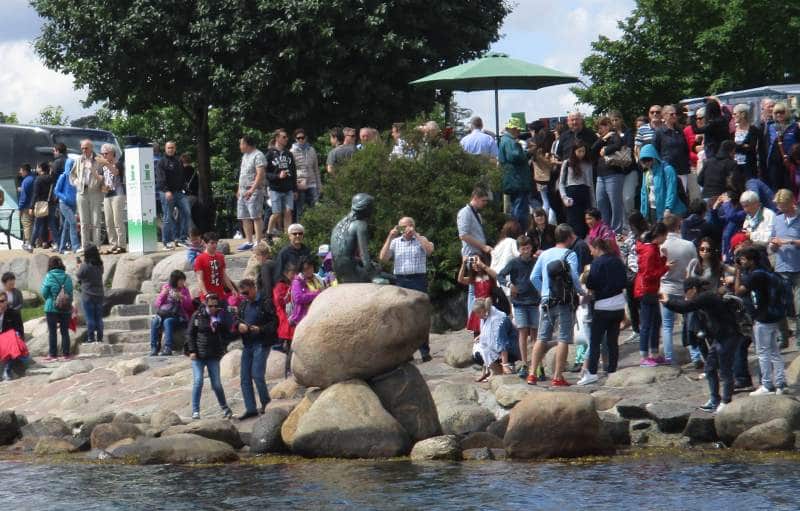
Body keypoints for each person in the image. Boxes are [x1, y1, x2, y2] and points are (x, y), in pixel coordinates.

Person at [660, 277, 743, 413]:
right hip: (719, 338)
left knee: (725, 371)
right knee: (710, 368)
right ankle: (714, 400)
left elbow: (685, 307)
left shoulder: (706, 297)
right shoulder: (704, 297)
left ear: (693, 289)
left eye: (686, 291)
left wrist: (667, 301)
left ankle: (726, 401)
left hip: (729, 336)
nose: (685, 295)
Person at [528, 224, 584, 386]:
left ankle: (532, 374)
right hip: (565, 301)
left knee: (542, 337)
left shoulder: (544, 254)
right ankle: (558, 377)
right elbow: (573, 276)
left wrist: (543, 291)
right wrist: (580, 291)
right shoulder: (570, 254)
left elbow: (533, 277)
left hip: (546, 301)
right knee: (564, 338)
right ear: (568, 238)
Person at [379, 216, 435, 361]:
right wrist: (389, 237)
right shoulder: (396, 242)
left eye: (406, 226)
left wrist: (416, 234)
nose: (404, 230)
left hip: (418, 279)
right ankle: (406, 353)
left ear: (412, 226)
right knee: (403, 316)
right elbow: (383, 258)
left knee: (420, 315)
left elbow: (429, 251)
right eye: (401, 227)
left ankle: (424, 351)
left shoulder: (420, 239)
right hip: (401, 280)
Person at [735, 247, 787, 395]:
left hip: (762, 318)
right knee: (775, 352)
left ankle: (767, 385)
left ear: (752, 261)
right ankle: (781, 383)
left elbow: (738, 291)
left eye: (743, 260)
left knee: (763, 352)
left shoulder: (755, 276)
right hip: (773, 316)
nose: (741, 262)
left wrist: (738, 272)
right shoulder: (767, 272)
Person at [578, 237, 627, 385]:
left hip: (602, 306)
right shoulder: (618, 261)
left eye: (591, 249)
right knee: (613, 340)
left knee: (595, 341)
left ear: (597, 248)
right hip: (618, 305)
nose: (591, 253)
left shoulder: (597, 263)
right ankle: (612, 370)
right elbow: (625, 281)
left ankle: (592, 372)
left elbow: (591, 283)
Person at [496, 235, 540, 379]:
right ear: (519, 250)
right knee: (522, 333)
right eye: (523, 249)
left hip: (534, 301)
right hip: (520, 302)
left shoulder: (536, 261)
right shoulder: (514, 263)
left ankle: (536, 364)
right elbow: (500, 275)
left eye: (528, 248)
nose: (526, 251)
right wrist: (509, 285)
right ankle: (524, 363)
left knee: (535, 334)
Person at [187, 293, 234, 420]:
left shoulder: (220, 316)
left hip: (213, 355)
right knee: (198, 382)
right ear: (206, 304)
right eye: (210, 305)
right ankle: (195, 411)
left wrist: (223, 322)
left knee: (217, 384)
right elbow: (190, 334)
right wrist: (192, 351)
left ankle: (225, 408)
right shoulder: (197, 316)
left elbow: (227, 333)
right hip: (199, 355)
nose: (213, 308)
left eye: (215, 305)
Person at [659, 214, 699, 365]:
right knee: (689, 323)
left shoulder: (661, 246)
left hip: (666, 287)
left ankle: (669, 358)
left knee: (667, 326)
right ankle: (695, 355)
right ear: (678, 225)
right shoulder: (688, 245)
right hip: (685, 288)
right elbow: (696, 265)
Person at [235, 278, 277, 420]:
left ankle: (266, 403)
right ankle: (250, 408)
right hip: (248, 344)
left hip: (261, 343)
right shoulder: (243, 304)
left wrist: (260, 329)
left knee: (257, 375)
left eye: (246, 292)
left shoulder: (265, 302)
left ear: (253, 288)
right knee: (244, 378)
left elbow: (274, 322)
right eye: (242, 294)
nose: (244, 296)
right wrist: (239, 327)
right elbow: (237, 321)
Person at [635, 222, 671, 367]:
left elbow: (654, 266)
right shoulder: (650, 250)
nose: (666, 238)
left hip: (651, 289)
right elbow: (649, 274)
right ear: (660, 235)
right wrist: (666, 267)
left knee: (656, 322)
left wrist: (663, 260)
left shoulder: (653, 248)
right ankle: (644, 355)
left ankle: (654, 353)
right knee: (646, 324)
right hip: (646, 290)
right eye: (665, 236)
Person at [768, 189, 800, 347]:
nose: (781, 209)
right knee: (778, 303)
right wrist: (773, 245)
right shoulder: (778, 219)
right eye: (779, 206)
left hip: (798, 267)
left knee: (799, 305)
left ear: (791, 203)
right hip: (781, 267)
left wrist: (789, 242)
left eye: (783, 206)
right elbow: (772, 243)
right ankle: (784, 336)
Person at [457, 186, 492, 313]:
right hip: (472, 254)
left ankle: (476, 319)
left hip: (478, 253)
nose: (485, 204)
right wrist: (483, 247)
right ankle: (474, 320)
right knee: (474, 288)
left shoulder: (475, 213)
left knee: (478, 287)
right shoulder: (465, 213)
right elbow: (463, 235)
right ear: (475, 198)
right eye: (483, 200)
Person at [592, 116, 626, 234]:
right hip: (600, 175)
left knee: (615, 203)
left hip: (614, 173)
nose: (603, 128)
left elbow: (618, 145)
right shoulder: (600, 138)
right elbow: (592, 149)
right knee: (601, 203)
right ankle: (605, 230)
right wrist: (602, 140)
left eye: (605, 125)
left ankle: (617, 231)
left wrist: (606, 150)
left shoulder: (615, 135)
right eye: (601, 126)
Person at [69, 140, 105, 252]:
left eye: (86, 148)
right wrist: (76, 182)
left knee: (96, 220)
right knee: (84, 221)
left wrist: (92, 169)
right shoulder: (79, 159)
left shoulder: (98, 159)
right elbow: (72, 174)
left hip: (95, 191)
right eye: (82, 148)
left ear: (91, 148)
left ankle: (96, 246)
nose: (84, 150)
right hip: (81, 192)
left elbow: (103, 177)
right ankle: (85, 247)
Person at [156, 141, 193, 249]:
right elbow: (160, 179)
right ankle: (166, 241)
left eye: (172, 148)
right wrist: (166, 191)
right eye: (168, 148)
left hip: (179, 192)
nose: (170, 149)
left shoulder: (179, 161)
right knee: (168, 217)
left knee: (187, 212)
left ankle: (182, 239)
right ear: (165, 149)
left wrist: (184, 189)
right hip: (166, 193)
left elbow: (182, 177)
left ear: (175, 149)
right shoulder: (161, 162)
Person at [149, 270, 193, 356]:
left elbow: (190, 307)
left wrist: (182, 298)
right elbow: (157, 304)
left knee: (167, 321)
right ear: (175, 280)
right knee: (154, 321)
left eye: (183, 280)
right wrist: (163, 294)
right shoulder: (166, 287)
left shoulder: (184, 290)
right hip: (164, 314)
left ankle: (168, 348)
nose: (183, 282)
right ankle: (154, 348)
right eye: (181, 280)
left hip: (179, 317)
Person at [500, 118, 533, 231]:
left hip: (513, 180)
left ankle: (517, 231)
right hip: (517, 181)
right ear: (513, 129)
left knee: (517, 207)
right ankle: (518, 232)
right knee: (519, 210)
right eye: (518, 129)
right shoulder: (510, 141)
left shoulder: (505, 140)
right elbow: (515, 157)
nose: (519, 132)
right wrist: (528, 152)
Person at [639, 144, 686, 222]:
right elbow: (644, 193)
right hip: (653, 209)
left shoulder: (667, 169)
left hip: (669, 211)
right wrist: (643, 213)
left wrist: (668, 208)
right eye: (643, 160)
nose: (646, 163)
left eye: (648, 159)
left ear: (654, 157)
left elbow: (671, 190)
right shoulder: (646, 172)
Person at [471, 297, 515, 382]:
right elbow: (486, 334)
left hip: (510, 349)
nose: (478, 316)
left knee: (484, 350)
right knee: (477, 350)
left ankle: (498, 370)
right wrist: (480, 336)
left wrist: (505, 364)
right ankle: (488, 371)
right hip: (499, 349)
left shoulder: (498, 319)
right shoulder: (486, 316)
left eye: (479, 313)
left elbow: (502, 341)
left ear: (484, 309)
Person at [621, 212, 649, 344]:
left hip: (643, 273)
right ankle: (636, 330)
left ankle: (645, 329)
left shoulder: (647, 235)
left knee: (642, 303)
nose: (630, 227)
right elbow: (624, 252)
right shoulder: (631, 236)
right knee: (632, 303)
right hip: (631, 273)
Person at [235, 135, 267, 251]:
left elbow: (260, 174)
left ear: (247, 144)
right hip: (243, 190)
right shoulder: (244, 156)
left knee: (256, 216)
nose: (240, 146)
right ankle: (249, 241)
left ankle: (258, 241)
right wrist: (239, 189)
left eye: (241, 144)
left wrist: (252, 189)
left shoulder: (258, 155)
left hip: (254, 190)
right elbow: (242, 174)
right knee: (244, 216)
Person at [559, 141, 595, 239]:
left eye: (583, 151)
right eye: (579, 151)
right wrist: (564, 197)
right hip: (572, 197)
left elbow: (590, 184)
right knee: (574, 225)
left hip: (584, 195)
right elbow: (561, 183)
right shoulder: (567, 163)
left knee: (586, 225)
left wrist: (593, 204)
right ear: (574, 151)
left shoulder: (588, 164)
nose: (581, 154)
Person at [40, 256, 73, 361]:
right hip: (66, 308)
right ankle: (66, 354)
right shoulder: (67, 277)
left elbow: (44, 293)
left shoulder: (49, 276)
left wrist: (51, 299)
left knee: (52, 331)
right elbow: (70, 293)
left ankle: (53, 354)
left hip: (51, 308)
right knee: (65, 331)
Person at [265, 129, 297, 236]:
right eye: (284, 137)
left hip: (288, 188)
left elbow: (294, 172)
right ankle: (269, 233)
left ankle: (287, 236)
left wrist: (295, 189)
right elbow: (265, 173)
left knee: (288, 211)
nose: (286, 139)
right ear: (277, 138)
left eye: (286, 137)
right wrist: (277, 176)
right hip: (276, 188)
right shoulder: (270, 154)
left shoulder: (289, 154)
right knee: (277, 213)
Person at [761, 101, 797, 192]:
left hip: (790, 162)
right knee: (776, 189)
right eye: (776, 112)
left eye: (782, 112)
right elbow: (766, 145)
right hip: (774, 163)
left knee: (791, 187)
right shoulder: (770, 127)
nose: (779, 115)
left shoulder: (795, 126)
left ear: (787, 113)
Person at [654, 105, 691, 191]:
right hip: (667, 169)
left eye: (675, 114)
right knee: (670, 194)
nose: (674, 116)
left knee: (682, 194)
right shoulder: (659, 132)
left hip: (682, 168)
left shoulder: (680, 130)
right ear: (664, 116)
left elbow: (685, 148)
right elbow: (655, 151)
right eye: (671, 114)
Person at [97, 144, 126, 254]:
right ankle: (113, 244)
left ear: (112, 154)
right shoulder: (103, 167)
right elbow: (102, 180)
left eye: (106, 153)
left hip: (118, 194)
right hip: (107, 194)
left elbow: (115, 172)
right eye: (103, 153)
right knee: (108, 221)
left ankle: (122, 245)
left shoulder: (118, 163)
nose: (104, 155)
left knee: (117, 220)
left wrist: (105, 163)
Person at [194, 232, 237, 302]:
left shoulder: (220, 256)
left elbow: (224, 276)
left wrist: (232, 289)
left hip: (220, 295)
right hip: (207, 297)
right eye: (212, 243)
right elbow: (200, 279)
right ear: (205, 243)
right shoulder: (200, 258)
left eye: (216, 243)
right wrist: (206, 294)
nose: (215, 245)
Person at [459, 253, 495, 337]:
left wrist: (483, 265)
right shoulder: (474, 278)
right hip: (478, 306)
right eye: (473, 262)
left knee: (491, 332)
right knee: (478, 332)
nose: (475, 264)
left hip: (489, 305)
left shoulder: (489, 275)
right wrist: (464, 264)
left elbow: (497, 276)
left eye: (477, 261)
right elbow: (460, 279)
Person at [76, 245, 104, 344]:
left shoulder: (85, 265)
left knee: (90, 317)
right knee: (99, 317)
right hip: (99, 294)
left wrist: (79, 266)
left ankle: (91, 337)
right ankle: (100, 337)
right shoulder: (100, 264)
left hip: (87, 295)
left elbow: (79, 275)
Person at [291, 128, 321, 220]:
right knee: (301, 209)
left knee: (315, 207)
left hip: (312, 182)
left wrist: (319, 184)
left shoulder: (311, 150)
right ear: (295, 139)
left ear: (306, 138)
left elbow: (316, 168)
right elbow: (291, 171)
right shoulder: (292, 151)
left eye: (302, 137)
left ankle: (315, 229)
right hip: (300, 183)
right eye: (298, 138)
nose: (300, 140)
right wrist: (295, 186)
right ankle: (299, 230)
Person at [273, 263, 297, 373]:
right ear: (285, 274)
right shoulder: (280, 286)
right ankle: (289, 371)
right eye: (292, 273)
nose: (294, 275)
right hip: (286, 319)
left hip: (291, 318)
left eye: (295, 273)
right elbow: (279, 302)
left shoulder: (294, 284)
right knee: (290, 348)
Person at [698, 140, 738, 205]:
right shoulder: (731, 164)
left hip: (706, 197)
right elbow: (734, 183)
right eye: (734, 151)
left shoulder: (708, 162)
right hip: (722, 198)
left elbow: (699, 180)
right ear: (731, 151)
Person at [289, 257, 324, 328]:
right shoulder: (297, 281)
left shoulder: (317, 278)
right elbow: (298, 298)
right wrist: (317, 294)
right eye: (305, 269)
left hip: (318, 314)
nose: (308, 270)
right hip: (304, 318)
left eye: (310, 267)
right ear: (301, 270)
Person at [695, 98, 732, 165]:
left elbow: (696, 130)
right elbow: (728, 114)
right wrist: (721, 104)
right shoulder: (724, 120)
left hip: (713, 154)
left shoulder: (711, 124)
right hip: (725, 153)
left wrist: (691, 115)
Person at [54, 159, 79, 254]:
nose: (73, 167)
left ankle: (62, 248)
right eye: (72, 165)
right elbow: (56, 190)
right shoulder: (63, 176)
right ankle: (75, 247)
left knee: (67, 226)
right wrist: (65, 198)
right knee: (73, 223)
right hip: (64, 203)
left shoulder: (75, 176)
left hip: (73, 204)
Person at [0, 290, 25, 381]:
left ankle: (7, 370)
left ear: (7, 301)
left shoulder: (14, 313)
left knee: (12, 339)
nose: (0, 304)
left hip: (10, 341)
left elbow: (19, 330)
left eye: (2, 301)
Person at [488, 220, 520, 290]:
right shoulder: (512, 242)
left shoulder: (497, 245)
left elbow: (492, 266)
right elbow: (519, 256)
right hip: (509, 281)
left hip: (498, 282)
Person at [732, 104, 762, 180]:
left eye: (735, 114)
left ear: (743, 114)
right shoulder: (733, 130)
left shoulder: (753, 130)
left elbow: (751, 148)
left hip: (749, 166)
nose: (733, 116)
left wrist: (736, 146)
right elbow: (730, 147)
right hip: (735, 166)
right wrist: (743, 146)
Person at [30, 162, 55, 249]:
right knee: (49, 224)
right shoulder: (51, 178)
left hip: (41, 204)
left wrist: (31, 207)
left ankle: (31, 243)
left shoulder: (38, 179)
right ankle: (46, 242)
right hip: (50, 203)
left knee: (37, 225)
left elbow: (35, 194)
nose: (36, 169)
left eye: (37, 167)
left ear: (41, 168)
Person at [17, 164, 35, 251]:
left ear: (25, 171)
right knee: (34, 224)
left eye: (21, 170)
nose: (20, 172)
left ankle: (28, 243)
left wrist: (20, 208)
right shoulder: (34, 178)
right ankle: (36, 242)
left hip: (26, 207)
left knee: (26, 224)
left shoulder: (26, 181)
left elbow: (23, 197)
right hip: (35, 206)